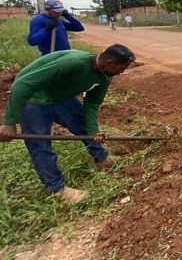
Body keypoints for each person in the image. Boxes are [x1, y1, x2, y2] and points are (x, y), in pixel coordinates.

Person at [0, 44, 136, 203]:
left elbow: (92, 104)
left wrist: (94, 131)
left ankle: (101, 159)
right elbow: (23, 83)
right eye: (121, 67)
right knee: (40, 143)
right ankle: (57, 190)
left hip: (61, 98)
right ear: (110, 62)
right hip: (35, 98)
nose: (122, 72)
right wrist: (10, 122)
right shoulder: (73, 63)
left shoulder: (105, 76)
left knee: (82, 124)